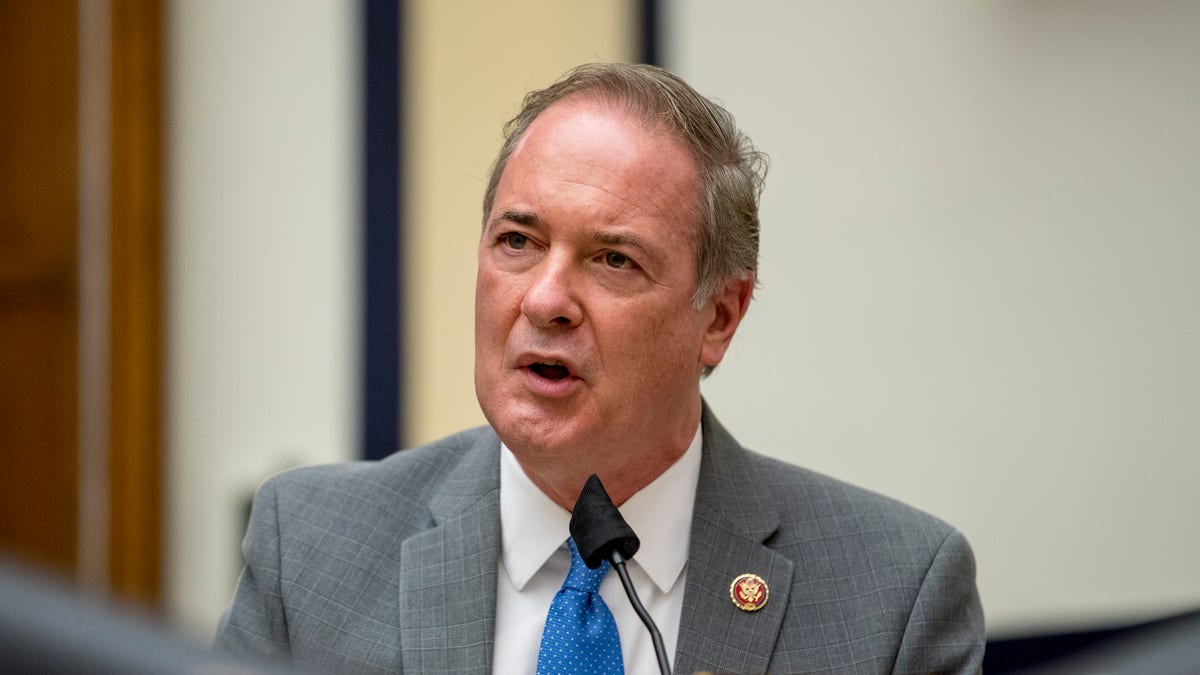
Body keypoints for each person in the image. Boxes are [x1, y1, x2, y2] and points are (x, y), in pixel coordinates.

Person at [215, 63, 985, 674]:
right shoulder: (312, 549)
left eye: (613, 259)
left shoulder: (892, 596)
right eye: (517, 241)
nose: (546, 300)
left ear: (718, 315)